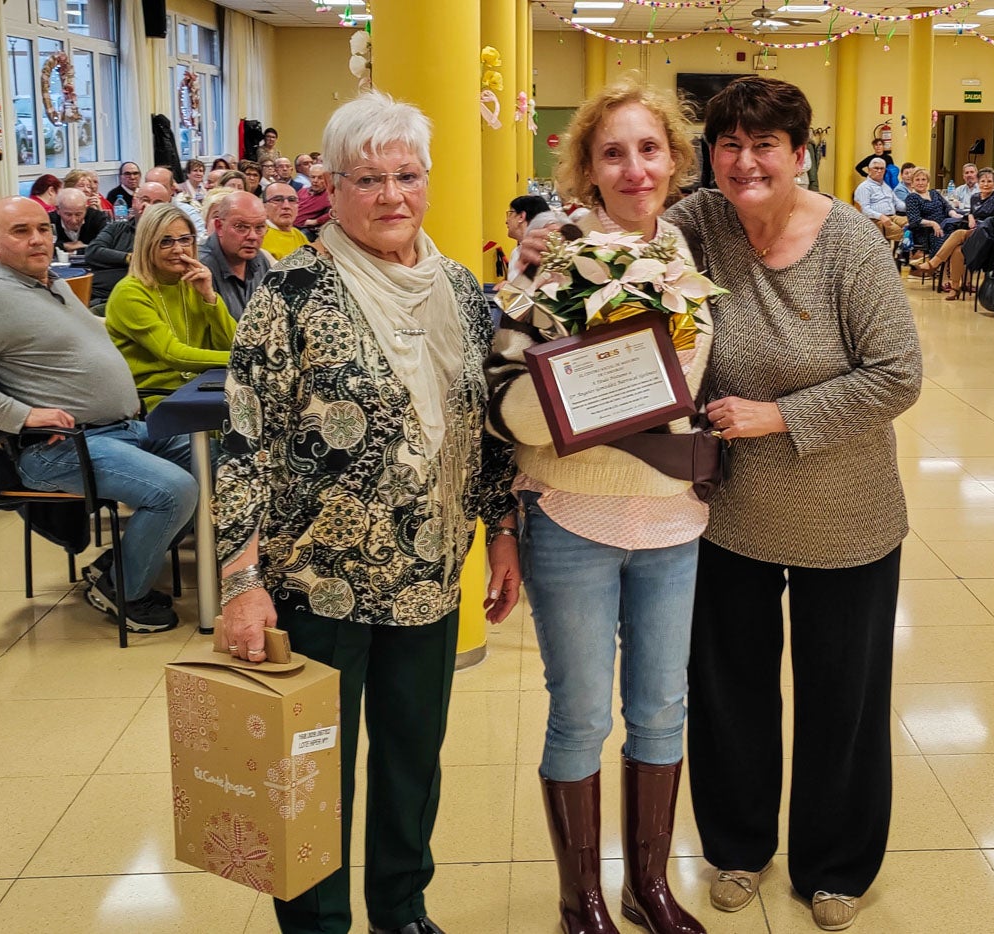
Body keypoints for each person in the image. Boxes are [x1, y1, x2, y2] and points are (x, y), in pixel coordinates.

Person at [215, 90, 520, 934]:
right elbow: (246, 440)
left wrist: (500, 532)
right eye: (369, 178)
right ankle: (316, 924)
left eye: (407, 175)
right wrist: (240, 581)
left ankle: (400, 907)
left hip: (427, 570)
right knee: (311, 768)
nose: (392, 196)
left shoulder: (460, 288)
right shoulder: (294, 292)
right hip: (314, 583)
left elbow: (485, 428)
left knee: (412, 759)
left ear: (428, 181)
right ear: (333, 188)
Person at [658, 75, 921, 933]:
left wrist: (778, 416)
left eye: (763, 146)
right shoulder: (698, 224)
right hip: (727, 511)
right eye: (728, 145)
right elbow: (624, 230)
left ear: (798, 154)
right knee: (727, 688)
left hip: (844, 512)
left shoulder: (848, 242)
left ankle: (835, 864)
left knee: (840, 694)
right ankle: (736, 848)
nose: (743, 162)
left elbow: (897, 375)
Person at [486, 75, 710, 934]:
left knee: (660, 706)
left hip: (674, 519)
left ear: (672, 160)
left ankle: (646, 886)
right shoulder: (550, 263)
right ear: (586, 166)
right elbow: (502, 406)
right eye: (612, 152)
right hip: (571, 514)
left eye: (648, 149)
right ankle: (579, 899)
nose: (633, 167)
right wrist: (582, 384)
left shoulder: (688, 259)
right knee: (578, 710)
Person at [0, 196, 195, 632]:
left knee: (222, 470)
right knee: (173, 490)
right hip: (62, 447)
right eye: (21, 231)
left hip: (123, 428)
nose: (37, 239)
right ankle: (122, 590)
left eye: (43, 229)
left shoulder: (50, 282)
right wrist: (22, 415)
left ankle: (114, 566)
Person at [103, 204, 235, 410]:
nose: (178, 249)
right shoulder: (129, 292)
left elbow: (231, 343)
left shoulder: (193, 283)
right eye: (165, 242)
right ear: (147, 245)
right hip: (157, 400)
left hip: (205, 388)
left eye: (185, 240)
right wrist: (244, 358)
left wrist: (210, 298)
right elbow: (173, 354)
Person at [912, 166, 994, 298]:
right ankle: (955, 287)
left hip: (988, 235)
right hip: (974, 233)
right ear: (978, 182)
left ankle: (933, 263)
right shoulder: (975, 197)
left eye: (989, 182)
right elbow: (972, 213)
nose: (985, 184)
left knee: (958, 234)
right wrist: (970, 216)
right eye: (982, 181)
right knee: (957, 250)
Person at [85, 182, 172, 308]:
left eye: (157, 203)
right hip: (94, 295)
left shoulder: (169, 237)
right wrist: (129, 258)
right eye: (144, 200)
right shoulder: (117, 228)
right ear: (134, 202)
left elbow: (153, 265)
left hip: (134, 300)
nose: (149, 207)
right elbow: (93, 252)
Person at [199, 190, 274, 320]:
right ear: (219, 226)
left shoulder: (260, 260)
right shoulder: (201, 267)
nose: (253, 236)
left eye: (260, 227)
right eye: (241, 227)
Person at [853, 158, 905, 242]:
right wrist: (880, 216)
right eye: (876, 168)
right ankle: (908, 252)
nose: (879, 171)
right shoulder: (864, 187)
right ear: (869, 170)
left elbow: (897, 203)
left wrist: (912, 207)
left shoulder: (886, 186)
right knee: (901, 232)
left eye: (882, 168)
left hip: (892, 216)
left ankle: (913, 252)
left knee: (915, 223)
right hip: (875, 220)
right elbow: (864, 210)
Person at [904, 167, 950, 261]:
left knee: (959, 235)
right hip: (925, 231)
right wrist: (933, 223)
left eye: (923, 179)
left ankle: (949, 269)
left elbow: (947, 206)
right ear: (912, 183)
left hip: (944, 226)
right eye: (917, 180)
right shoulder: (912, 198)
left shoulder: (934, 193)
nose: (920, 183)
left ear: (927, 181)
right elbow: (914, 220)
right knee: (944, 238)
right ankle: (936, 265)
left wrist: (953, 213)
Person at [260, 182, 309, 259]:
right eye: (278, 200)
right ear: (264, 207)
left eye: (292, 200)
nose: (286, 206)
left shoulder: (298, 235)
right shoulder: (260, 237)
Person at [51, 187, 106, 254]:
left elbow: (105, 246)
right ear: (58, 210)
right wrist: (65, 245)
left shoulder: (97, 218)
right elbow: (43, 248)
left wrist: (74, 252)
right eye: (68, 214)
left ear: (85, 209)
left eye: (78, 214)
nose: (73, 220)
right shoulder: (49, 221)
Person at [295, 164, 333, 236]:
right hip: (290, 225)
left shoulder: (330, 195)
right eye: (313, 177)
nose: (315, 181)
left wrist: (316, 221)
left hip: (306, 230)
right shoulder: (302, 191)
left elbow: (336, 212)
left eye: (320, 178)